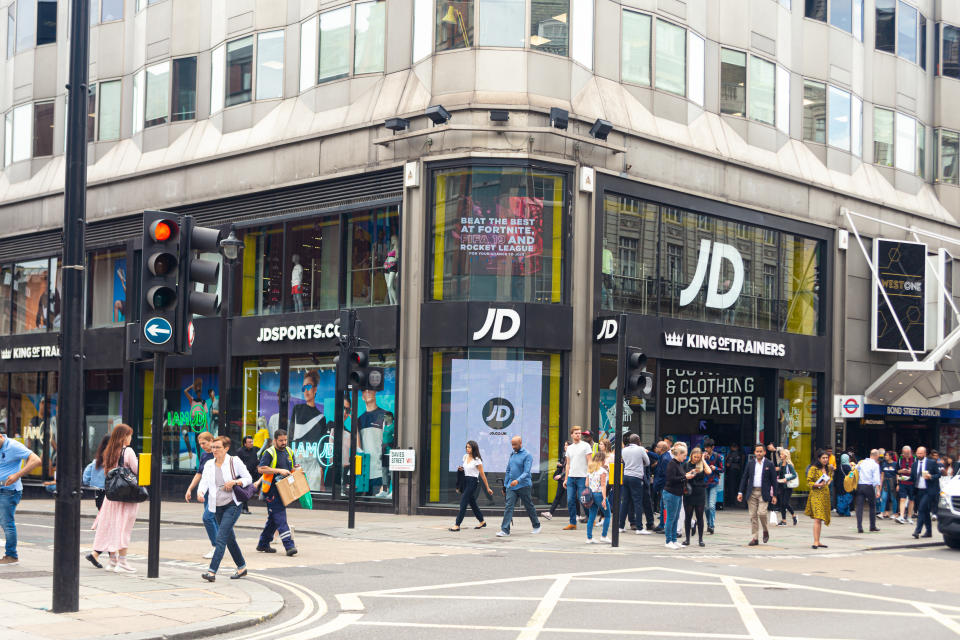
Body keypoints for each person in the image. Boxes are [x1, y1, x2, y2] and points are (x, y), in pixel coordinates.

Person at [199, 437, 252, 582]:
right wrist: (200, 492)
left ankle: (211, 571)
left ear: (226, 448)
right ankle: (242, 567)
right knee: (229, 538)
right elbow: (204, 481)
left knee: (221, 538)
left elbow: (248, 478)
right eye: (213, 447)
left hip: (232, 505)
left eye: (217, 447)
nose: (214, 450)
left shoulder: (234, 461)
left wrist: (235, 481)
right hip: (216, 506)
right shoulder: (210, 464)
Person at [89, 424, 140, 573]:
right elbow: (137, 470)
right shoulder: (128, 451)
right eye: (129, 435)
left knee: (111, 526)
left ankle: (112, 561)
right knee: (124, 527)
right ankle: (122, 563)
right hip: (126, 496)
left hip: (111, 496)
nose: (131, 437)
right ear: (124, 436)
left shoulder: (110, 451)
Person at [0, 430, 41, 564]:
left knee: (7, 523)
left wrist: (17, 475)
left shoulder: (13, 446)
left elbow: (36, 460)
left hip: (9, 491)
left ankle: (12, 556)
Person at [257, 429, 298, 555]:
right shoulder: (269, 452)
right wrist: (279, 470)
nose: (284, 442)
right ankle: (289, 546)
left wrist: (297, 470)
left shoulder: (289, 451)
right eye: (281, 440)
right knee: (280, 518)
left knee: (273, 520)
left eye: (285, 440)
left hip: (285, 490)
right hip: (272, 492)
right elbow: (261, 469)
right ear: (275, 440)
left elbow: (292, 468)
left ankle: (263, 544)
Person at [497, 436, 541, 537]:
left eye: (515, 444)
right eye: (512, 444)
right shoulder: (512, 454)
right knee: (509, 506)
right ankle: (505, 530)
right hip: (511, 486)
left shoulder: (527, 455)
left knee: (528, 506)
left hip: (524, 485)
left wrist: (518, 480)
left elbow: (527, 472)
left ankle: (536, 525)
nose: (513, 447)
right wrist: (505, 486)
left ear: (520, 443)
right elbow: (508, 470)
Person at [184, 431, 218, 559]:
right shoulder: (204, 455)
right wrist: (190, 489)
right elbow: (199, 474)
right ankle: (221, 545)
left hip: (217, 493)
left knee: (208, 518)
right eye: (200, 444)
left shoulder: (218, 454)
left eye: (204, 443)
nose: (202, 446)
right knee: (214, 519)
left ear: (211, 440)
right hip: (206, 492)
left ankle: (216, 546)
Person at [737, 443, 777, 546]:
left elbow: (774, 481)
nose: (759, 453)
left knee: (762, 513)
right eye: (757, 451)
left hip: (764, 493)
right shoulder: (750, 463)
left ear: (764, 452)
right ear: (754, 453)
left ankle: (765, 530)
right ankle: (755, 538)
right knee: (753, 516)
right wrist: (740, 492)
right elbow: (744, 478)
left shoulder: (769, 464)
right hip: (752, 492)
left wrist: (775, 495)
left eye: (761, 451)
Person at [450, 441, 493, 531]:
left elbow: (482, 475)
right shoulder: (465, 457)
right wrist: (461, 469)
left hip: (473, 482)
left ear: (473, 448)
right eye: (466, 447)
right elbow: (466, 470)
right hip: (465, 481)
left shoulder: (477, 460)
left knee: (463, 502)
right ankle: (482, 521)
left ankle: (457, 524)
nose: (467, 449)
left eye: (469, 447)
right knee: (472, 503)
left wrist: (487, 487)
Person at [541, 440, 582, 522]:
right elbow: (565, 466)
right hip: (563, 480)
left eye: (566, 445)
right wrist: (560, 465)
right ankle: (550, 513)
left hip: (570, 479)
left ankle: (578, 515)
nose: (564, 447)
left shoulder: (573, 456)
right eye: (564, 445)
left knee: (574, 497)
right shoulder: (565, 456)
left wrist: (561, 475)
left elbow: (570, 468)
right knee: (558, 496)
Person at [619, 434, 652, 535]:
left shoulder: (624, 450)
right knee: (637, 502)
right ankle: (639, 528)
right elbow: (648, 462)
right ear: (638, 440)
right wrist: (639, 463)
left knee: (625, 502)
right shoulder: (640, 449)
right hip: (636, 477)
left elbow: (624, 461)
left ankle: (621, 526)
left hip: (626, 476)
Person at [562, 426, 592, 530]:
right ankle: (572, 523)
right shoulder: (569, 448)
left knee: (583, 499)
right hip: (571, 477)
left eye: (579, 433)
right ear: (572, 435)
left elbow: (590, 462)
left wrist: (588, 477)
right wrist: (566, 479)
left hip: (582, 477)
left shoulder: (586, 446)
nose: (578, 435)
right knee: (570, 500)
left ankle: (590, 518)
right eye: (576, 433)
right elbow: (568, 464)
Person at [662, 442, 689, 550]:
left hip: (677, 493)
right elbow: (671, 479)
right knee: (671, 517)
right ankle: (668, 541)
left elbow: (679, 477)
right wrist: (685, 477)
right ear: (678, 454)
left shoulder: (678, 464)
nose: (685, 457)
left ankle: (673, 539)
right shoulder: (672, 464)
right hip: (671, 493)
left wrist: (687, 476)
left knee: (676, 517)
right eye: (684, 455)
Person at [682, 446, 711, 547]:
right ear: (691, 456)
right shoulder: (686, 464)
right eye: (695, 457)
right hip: (689, 493)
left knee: (700, 516)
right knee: (688, 516)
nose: (697, 459)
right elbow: (683, 476)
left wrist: (703, 460)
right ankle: (687, 539)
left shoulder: (702, 464)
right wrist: (693, 471)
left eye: (698, 457)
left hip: (700, 492)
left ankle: (700, 539)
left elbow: (709, 472)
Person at [911, 446, 941, 539]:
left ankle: (917, 531)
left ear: (924, 453)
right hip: (919, 490)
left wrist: (931, 476)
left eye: (921, 453)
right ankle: (929, 532)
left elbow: (939, 474)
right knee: (926, 511)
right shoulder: (914, 464)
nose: (919, 455)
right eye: (918, 453)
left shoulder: (931, 462)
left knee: (921, 509)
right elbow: (913, 478)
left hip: (929, 490)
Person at [805, 449, 833, 549]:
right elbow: (809, 482)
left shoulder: (828, 469)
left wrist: (827, 482)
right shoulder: (813, 468)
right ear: (819, 459)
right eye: (823, 458)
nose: (825, 460)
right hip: (816, 495)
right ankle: (815, 541)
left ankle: (818, 540)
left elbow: (830, 478)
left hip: (825, 494)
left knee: (820, 518)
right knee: (817, 518)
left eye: (826, 458)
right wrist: (817, 484)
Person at [585, 451, 611, 544]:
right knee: (607, 515)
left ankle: (589, 538)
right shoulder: (603, 471)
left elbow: (586, 484)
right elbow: (603, 485)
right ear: (602, 460)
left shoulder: (590, 469)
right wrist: (604, 498)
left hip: (591, 495)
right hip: (599, 494)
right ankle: (604, 536)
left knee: (592, 516)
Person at [855, 449, 882, 534]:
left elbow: (855, 470)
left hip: (860, 486)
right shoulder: (875, 465)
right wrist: (878, 490)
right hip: (869, 486)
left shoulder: (861, 462)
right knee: (872, 506)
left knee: (859, 507)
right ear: (876, 456)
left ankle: (859, 527)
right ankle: (872, 526)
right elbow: (876, 479)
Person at [83, 434, 111, 511]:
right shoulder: (114, 462)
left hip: (99, 494)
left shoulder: (95, 462)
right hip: (111, 495)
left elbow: (86, 478)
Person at [702, 439, 723, 533]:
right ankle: (708, 523)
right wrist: (702, 459)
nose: (706, 449)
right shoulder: (702, 456)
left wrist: (716, 468)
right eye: (705, 447)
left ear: (712, 447)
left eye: (708, 448)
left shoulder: (717, 456)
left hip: (714, 483)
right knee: (706, 507)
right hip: (704, 483)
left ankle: (711, 525)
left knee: (711, 505)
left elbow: (722, 469)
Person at [653, 441, 673, 532]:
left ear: (661, 449)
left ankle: (664, 525)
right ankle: (661, 524)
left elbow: (666, 475)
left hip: (664, 486)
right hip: (663, 486)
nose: (656, 448)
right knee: (662, 505)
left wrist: (658, 485)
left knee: (664, 506)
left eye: (657, 447)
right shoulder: (663, 457)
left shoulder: (665, 459)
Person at [776, 448, 798, 526]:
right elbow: (779, 473)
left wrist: (786, 479)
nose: (780, 456)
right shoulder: (780, 464)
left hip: (788, 486)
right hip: (780, 485)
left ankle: (793, 515)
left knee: (785, 502)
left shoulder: (789, 465)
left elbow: (794, 475)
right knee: (782, 503)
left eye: (782, 454)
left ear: (785, 456)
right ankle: (783, 520)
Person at [896, 445, 915, 524]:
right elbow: (897, 471)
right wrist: (902, 471)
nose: (907, 455)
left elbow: (918, 471)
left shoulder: (915, 459)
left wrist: (912, 471)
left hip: (912, 482)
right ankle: (902, 516)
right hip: (903, 481)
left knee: (911, 499)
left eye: (908, 453)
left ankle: (909, 516)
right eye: (905, 453)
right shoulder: (900, 460)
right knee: (902, 499)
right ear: (903, 453)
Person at [878, 450, 899, 519]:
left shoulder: (895, 464)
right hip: (885, 482)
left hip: (893, 482)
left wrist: (898, 484)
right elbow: (882, 475)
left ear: (890, 456)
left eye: (886, 455)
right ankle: (881, 513)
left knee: (893, 498)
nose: (885, 456)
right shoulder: (883, 464)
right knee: (883, 497)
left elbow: (897, 475)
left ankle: (895, 513)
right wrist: (880, 486)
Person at [725, 443, 743, 508]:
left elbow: (728, 464)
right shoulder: (740, 453)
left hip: (732, 471)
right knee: (736, 486)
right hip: (738, 471)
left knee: (731, 486)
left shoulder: (732, 453)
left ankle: (731, 502)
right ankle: (735, 501)